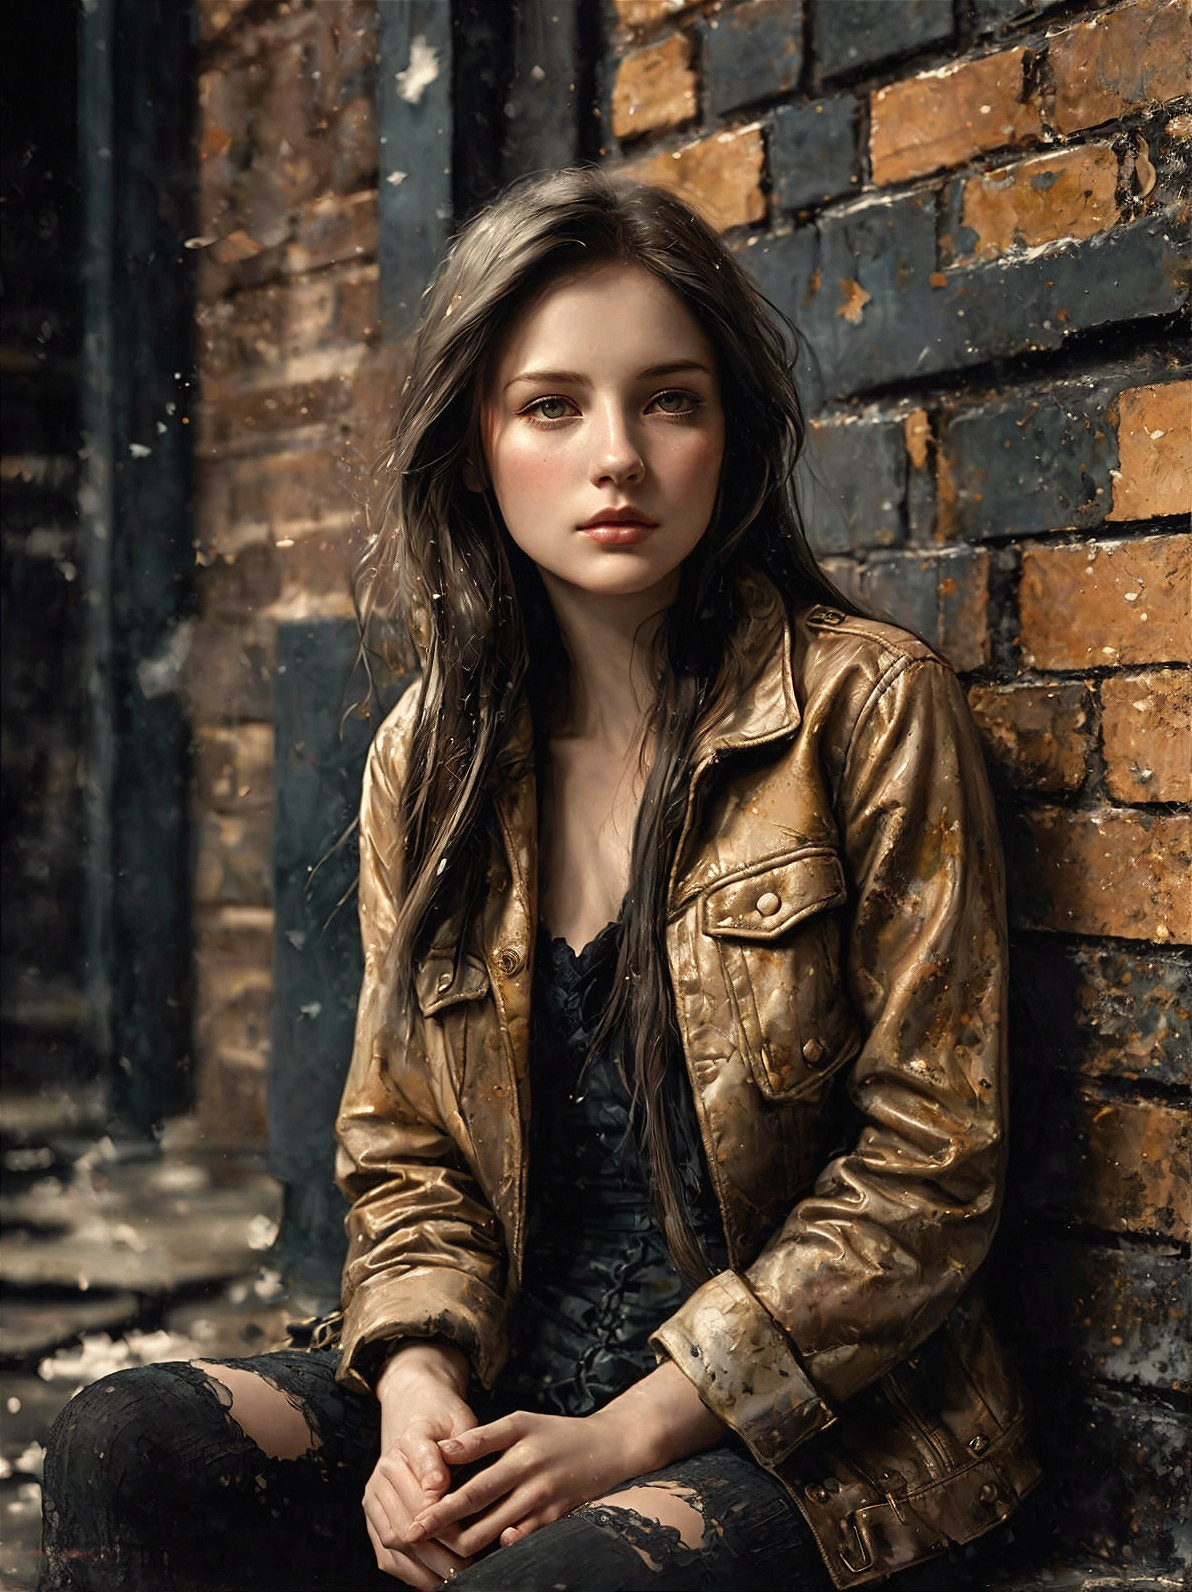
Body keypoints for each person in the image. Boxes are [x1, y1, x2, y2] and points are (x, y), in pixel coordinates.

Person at [40, 168, 1038, 1592]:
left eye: (670, 400)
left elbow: (930, 1174)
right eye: (552, 406)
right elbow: (405, 1148)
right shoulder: (430, 756)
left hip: (813, 1433)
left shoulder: (866, 710)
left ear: (730, 435)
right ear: (474, 448)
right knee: (119, 1444)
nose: (615, 456)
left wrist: (628, 1436)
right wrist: (414, 1390)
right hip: (523, 1378)